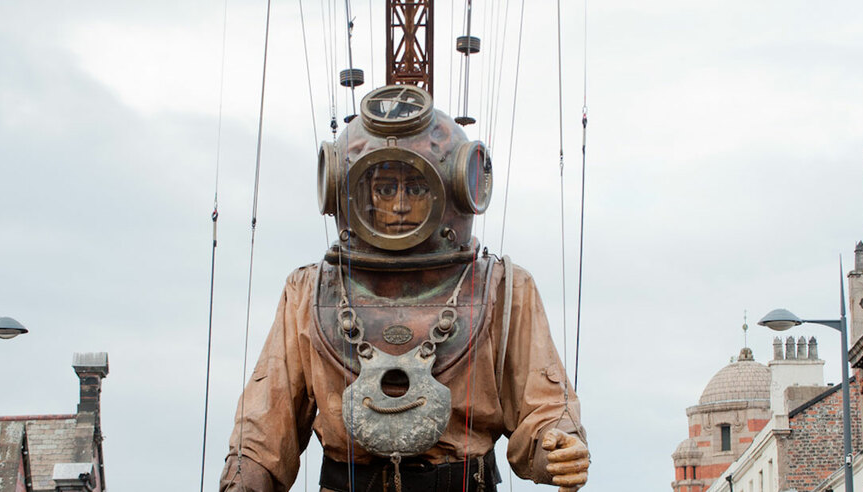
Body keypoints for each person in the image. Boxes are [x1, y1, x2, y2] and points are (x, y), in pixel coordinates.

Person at [220, 85, 589, 492]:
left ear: (453, 187)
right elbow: (264, 430)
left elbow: (545, 406)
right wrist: (244, 479)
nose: (398, 205)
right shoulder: (309, 292)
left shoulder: (503, 288)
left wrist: (556, 446)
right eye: (383, 188)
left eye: (414, 189)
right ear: (350, 190)